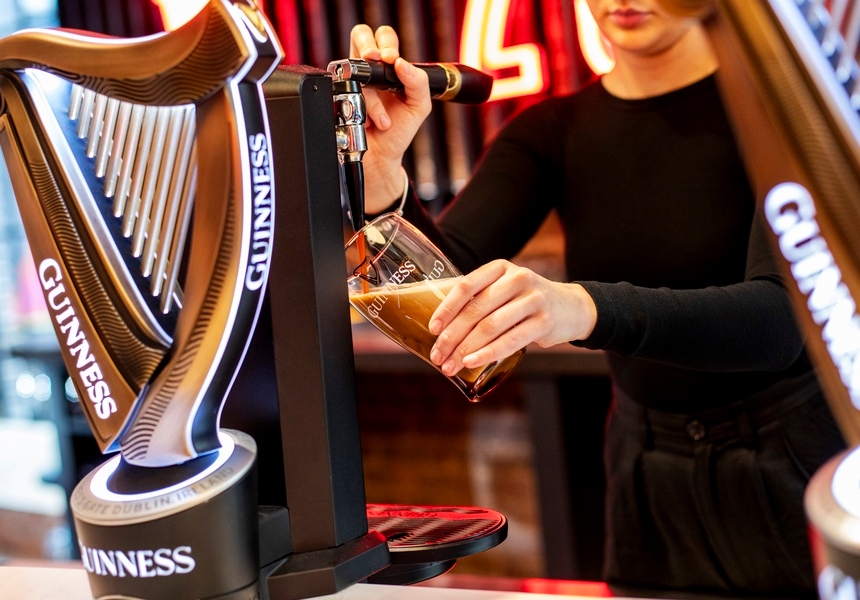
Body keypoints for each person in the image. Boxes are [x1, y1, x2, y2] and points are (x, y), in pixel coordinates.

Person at [348, 0, 846, 597]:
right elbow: (444, 291)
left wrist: (582, 308)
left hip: (794, 467)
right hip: (648, 479)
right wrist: (382, 177)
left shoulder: (781, 115)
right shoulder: (552, 131)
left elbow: (780, 320)